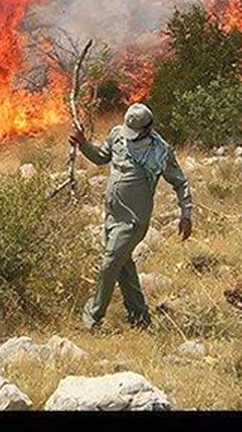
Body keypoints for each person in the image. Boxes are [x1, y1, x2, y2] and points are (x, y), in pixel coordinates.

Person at [69, 102, 192, 329]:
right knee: (123, 266)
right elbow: (101, 157)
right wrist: (83, 144)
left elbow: (180, 182)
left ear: (147, 128)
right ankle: (140, 317)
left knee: (109, 264)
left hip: (133, 221)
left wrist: (186, 213)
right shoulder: (117, 135)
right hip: (112, 217)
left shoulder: (160, 152)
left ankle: (91, 318)